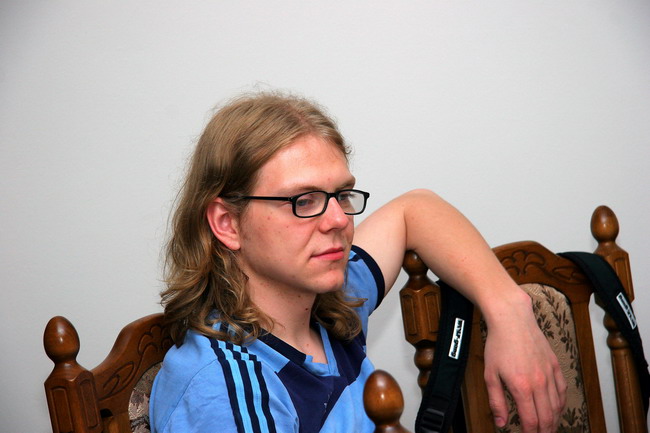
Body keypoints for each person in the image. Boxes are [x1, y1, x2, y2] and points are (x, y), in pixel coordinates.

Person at [149, 92, 566, 433]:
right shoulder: (227, 390)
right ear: (228, 223)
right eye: (304, 200)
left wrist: (510, 311)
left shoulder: (330, 305)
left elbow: (416, 209)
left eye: (342, 195)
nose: (338, 220)